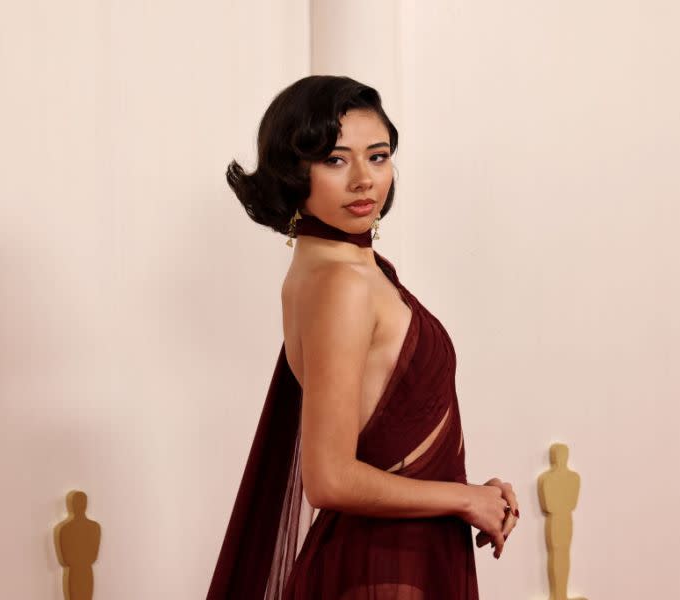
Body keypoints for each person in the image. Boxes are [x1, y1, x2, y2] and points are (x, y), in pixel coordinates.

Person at [207, 75, 519, 600]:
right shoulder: (341, 284)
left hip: (396, 556)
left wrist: (467, 495)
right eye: (335, 159)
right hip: (382, 566)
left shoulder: (333, 267)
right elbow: (329, 478)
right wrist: (464, 499)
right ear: (294, 170)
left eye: (377, 156)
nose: (364, 180)